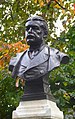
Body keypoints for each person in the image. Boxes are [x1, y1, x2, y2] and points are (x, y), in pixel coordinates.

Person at [9, 15, 69, 101]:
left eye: (34, 28)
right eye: (27, 29)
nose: (30, 31)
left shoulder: (55, 55)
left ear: (44, 34)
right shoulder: (16, 59)